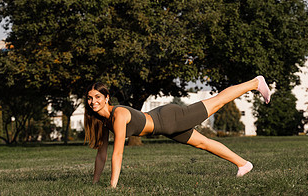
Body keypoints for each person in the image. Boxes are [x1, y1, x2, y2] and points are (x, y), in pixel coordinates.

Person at [84, 76, 272, 188]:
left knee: (217, 101)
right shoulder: (103, 121)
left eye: (98, 97)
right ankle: (243, 164)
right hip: (165, 127)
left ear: (107, 97)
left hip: (169, 118)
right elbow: (102, 155)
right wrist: (94, 183)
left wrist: (112, 188)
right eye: (90, 98)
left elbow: (117, 154)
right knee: (203, 143)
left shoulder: (119, 115)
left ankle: (255, 82)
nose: (93, 101)